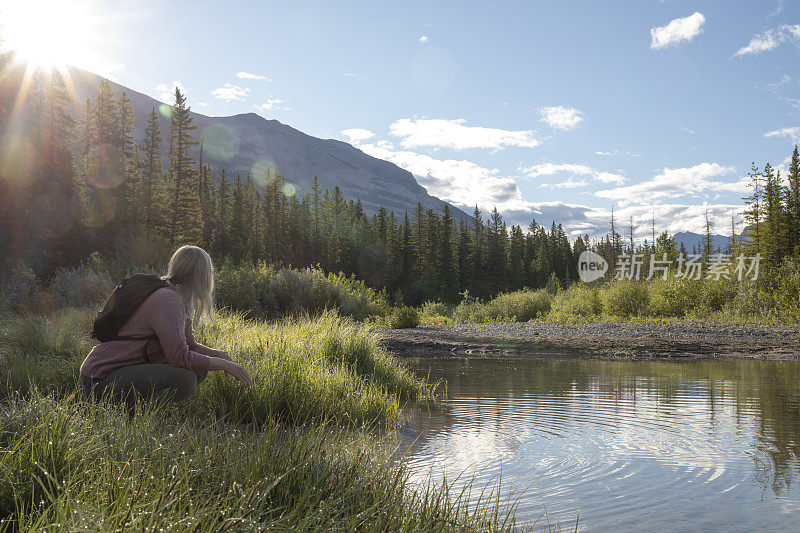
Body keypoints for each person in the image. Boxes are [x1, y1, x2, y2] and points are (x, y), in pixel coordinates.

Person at [79, 245, 253, 406]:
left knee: (199, 370)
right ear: (201, 276)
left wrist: (221, 355)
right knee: (185, 379)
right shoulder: (168, 300)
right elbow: (179, 357)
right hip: (98, 381)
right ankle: (135, 418)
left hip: (115, 373)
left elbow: (190, 346)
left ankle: (136, 412)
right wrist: (226, 365)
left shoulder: (175, 297)